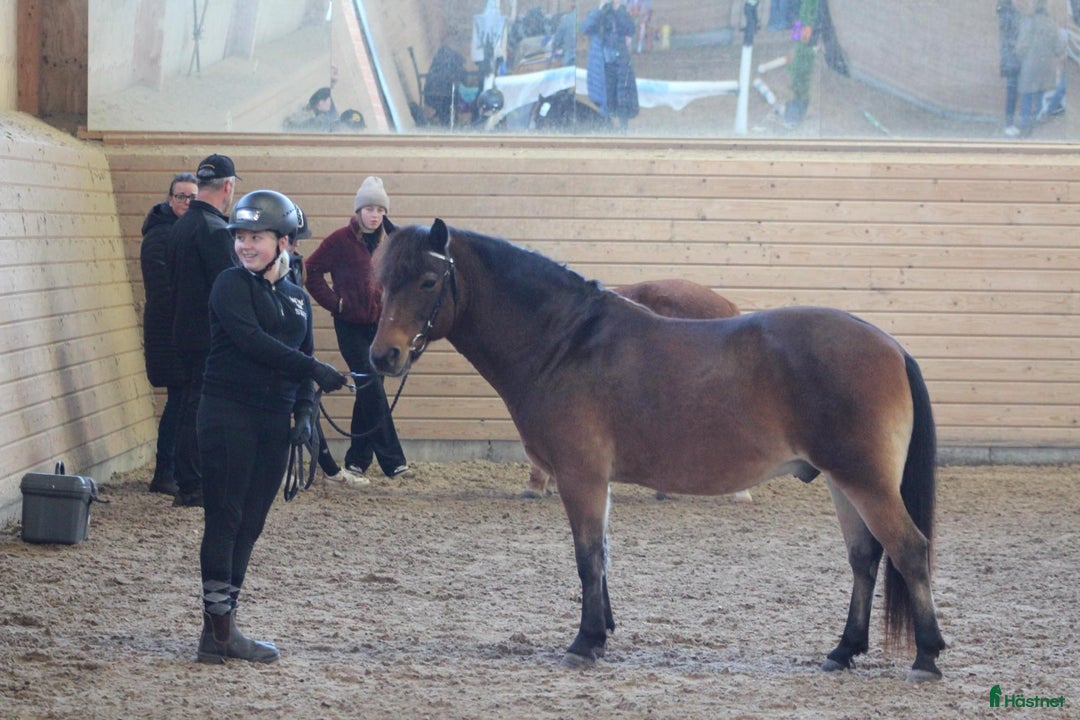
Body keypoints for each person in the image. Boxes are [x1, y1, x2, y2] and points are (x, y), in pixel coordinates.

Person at [195, 189, 348, 664]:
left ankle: (224, 627)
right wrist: (318, 372)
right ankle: (218, 629)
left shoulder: (299, 299)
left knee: (252, 523)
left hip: (272, 421)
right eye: (241, 236)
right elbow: (253, 342)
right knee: (225, 517)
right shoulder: (229, 285)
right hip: (228, 413)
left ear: (283, 242)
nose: (245, 245)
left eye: (256, 237)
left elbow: (300, 360)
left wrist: (305, 411)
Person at [304, 177, 409, 481]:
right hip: (349, 327)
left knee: (369, 391)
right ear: (359, 211)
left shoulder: (390, 243)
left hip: (380, 327)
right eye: (369, 209)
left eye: (379, 210)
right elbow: (311, 272)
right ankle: (394, 461)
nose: (374, 215)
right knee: (371, 387)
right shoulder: (338, 241)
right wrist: (336, 304)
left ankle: (357, 460)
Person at [168, 154, 240, 508]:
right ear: (227, 186)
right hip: (208, 336)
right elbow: (229, 290)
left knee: (186, 405)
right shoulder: (215, 231)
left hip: (183, 330)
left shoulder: (181, 225)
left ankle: (188, 478)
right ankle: (193, 482)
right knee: (200, 409)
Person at [284, 204, 368, 489]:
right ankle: (325, 469)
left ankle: (329, 469)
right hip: (282, 358)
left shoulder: (293, 268)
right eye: (293, 241)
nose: (296, 247)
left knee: (307, 409)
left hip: (295, 354)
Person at [139, 172, 198, 496]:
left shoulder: (177, 233)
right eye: (181, 197)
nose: (186, 203)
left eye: (192, 197)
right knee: (179, 401)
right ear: (169, 199)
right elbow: (161, 292)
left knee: (182, 400)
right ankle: (165, 470)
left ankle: (169, 469)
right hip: (170, 332)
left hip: (177, 329)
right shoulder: (160, 238)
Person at [582, 0, 639, 132]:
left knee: (623, 100)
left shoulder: (621, 12)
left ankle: (624, 132)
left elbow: (630, 29)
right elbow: (585, 28)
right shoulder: (596, 12)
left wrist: (618, 9)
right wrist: (600, 9)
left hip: (620, 64)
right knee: (605, 100)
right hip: (602, 66)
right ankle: (606, 131)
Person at [1015, 0, 1066, 137]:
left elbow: (1021, 46)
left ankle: (1025, 126)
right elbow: (1060, 48)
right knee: (1039, 95)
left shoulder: (1029, 22)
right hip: (1045, 67)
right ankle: (1034, 124)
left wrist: (1020, 57)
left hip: (1029, 65)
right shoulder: (1051, 24)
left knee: (1026, 95)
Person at [424, 44, 469, 126]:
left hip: (434, 95)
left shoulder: (438, 63)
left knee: (453, 95)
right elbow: (464, 78)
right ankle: (447, 119)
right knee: (453, 96)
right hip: (437, 96)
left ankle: (446, 118)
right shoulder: (448, 64)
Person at [997, 0, 1022, 137]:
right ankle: (1009, 124)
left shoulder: (1008, 10)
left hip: (1011, 56)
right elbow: (1009, 36)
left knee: (1013, 89)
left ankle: (1010, 123)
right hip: (1011, 57)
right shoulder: (1006, 12)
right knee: (1012, 89)